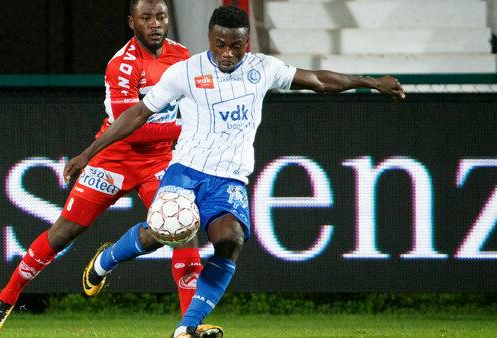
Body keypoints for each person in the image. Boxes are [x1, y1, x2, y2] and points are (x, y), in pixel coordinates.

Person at [67, 5, 406, 338]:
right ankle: (105, 260)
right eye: (220, 44)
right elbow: (138, 114)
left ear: (247, 43)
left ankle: (187, 327)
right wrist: (88, 153)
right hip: (186, 171)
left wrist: (371, 82)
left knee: (230, 241)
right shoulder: (185, 71)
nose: (227, 53)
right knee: (161, 234)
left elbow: (317, 79)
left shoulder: (263, 68)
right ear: (209, 39)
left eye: (236, 45)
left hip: (229, 179)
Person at [0, 1, 203, 337]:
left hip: (158, 160)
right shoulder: (122, 66)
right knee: (64, 232)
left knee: (182, 228)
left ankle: (188, 326)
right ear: (132, 22)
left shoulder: (182, 56)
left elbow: (195, 106)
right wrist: (186, 129)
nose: (155, 24)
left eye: (161, 17)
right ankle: (6, 298)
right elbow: (135, 128)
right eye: (146, 18)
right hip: (114, 156)